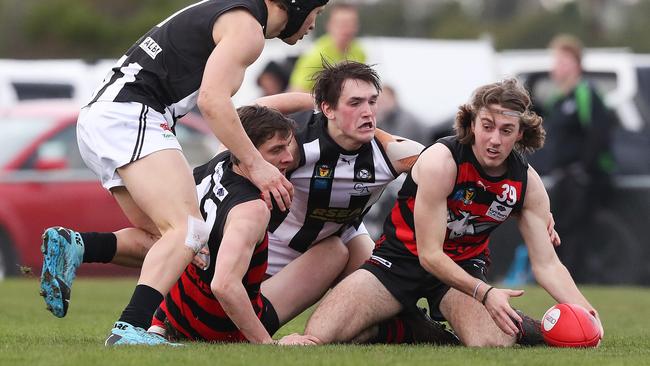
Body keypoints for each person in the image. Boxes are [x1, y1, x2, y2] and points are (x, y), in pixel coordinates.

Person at [39, 0, 329, 345]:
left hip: (105, 116)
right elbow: (212, 101)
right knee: (189, 229)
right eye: (318, 10)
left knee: (169, 240)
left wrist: (304, 99)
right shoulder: (248, 28)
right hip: (132, 115)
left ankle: (77, 246)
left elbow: (227, 106)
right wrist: (256, 165)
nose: (314, 22)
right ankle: (130, 329)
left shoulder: (229, 12)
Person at [291, 78, 602, 347]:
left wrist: (588, 316)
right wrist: (485, 292)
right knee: (320, 333)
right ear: (471, 123)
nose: (494, 140)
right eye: (487, 126)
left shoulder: (527, 183)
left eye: (507, 130)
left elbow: (547, 264)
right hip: (399, 262)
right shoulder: (442, 160)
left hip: (463, 268)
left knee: (491, 342)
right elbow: (429, 255)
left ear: (520, 133)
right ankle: (411, 327)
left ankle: (537, 329)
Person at [142, 105, 334, 345]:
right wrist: (269, 345)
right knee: (335, 250)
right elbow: (224, 285)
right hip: (219, 327)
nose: (288, 157)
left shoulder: (220, 160)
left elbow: (249, 111)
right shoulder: (252, 210)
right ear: (248, 152)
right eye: (276, 150)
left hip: (175, 312)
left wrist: (316, 102)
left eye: (288, 146)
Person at [541, 34, 616, 282]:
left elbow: (599, 133)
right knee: (559, 228)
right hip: (562, 176)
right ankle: (560, 278)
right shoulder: (557, 100)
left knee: (576, 230)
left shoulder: (586, 94)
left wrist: (583, 168)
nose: (557, 66)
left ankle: (575, 281)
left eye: (563, 60)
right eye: (556, 60)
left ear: (576, 64)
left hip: (582, 177)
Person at [288, 2, 365, 92]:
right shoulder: (316, 54)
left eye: (351, 24)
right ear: (329, 26)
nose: (346, 29)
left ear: (357, 27)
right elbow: (296, 90)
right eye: (341, 24)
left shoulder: (360, 52)